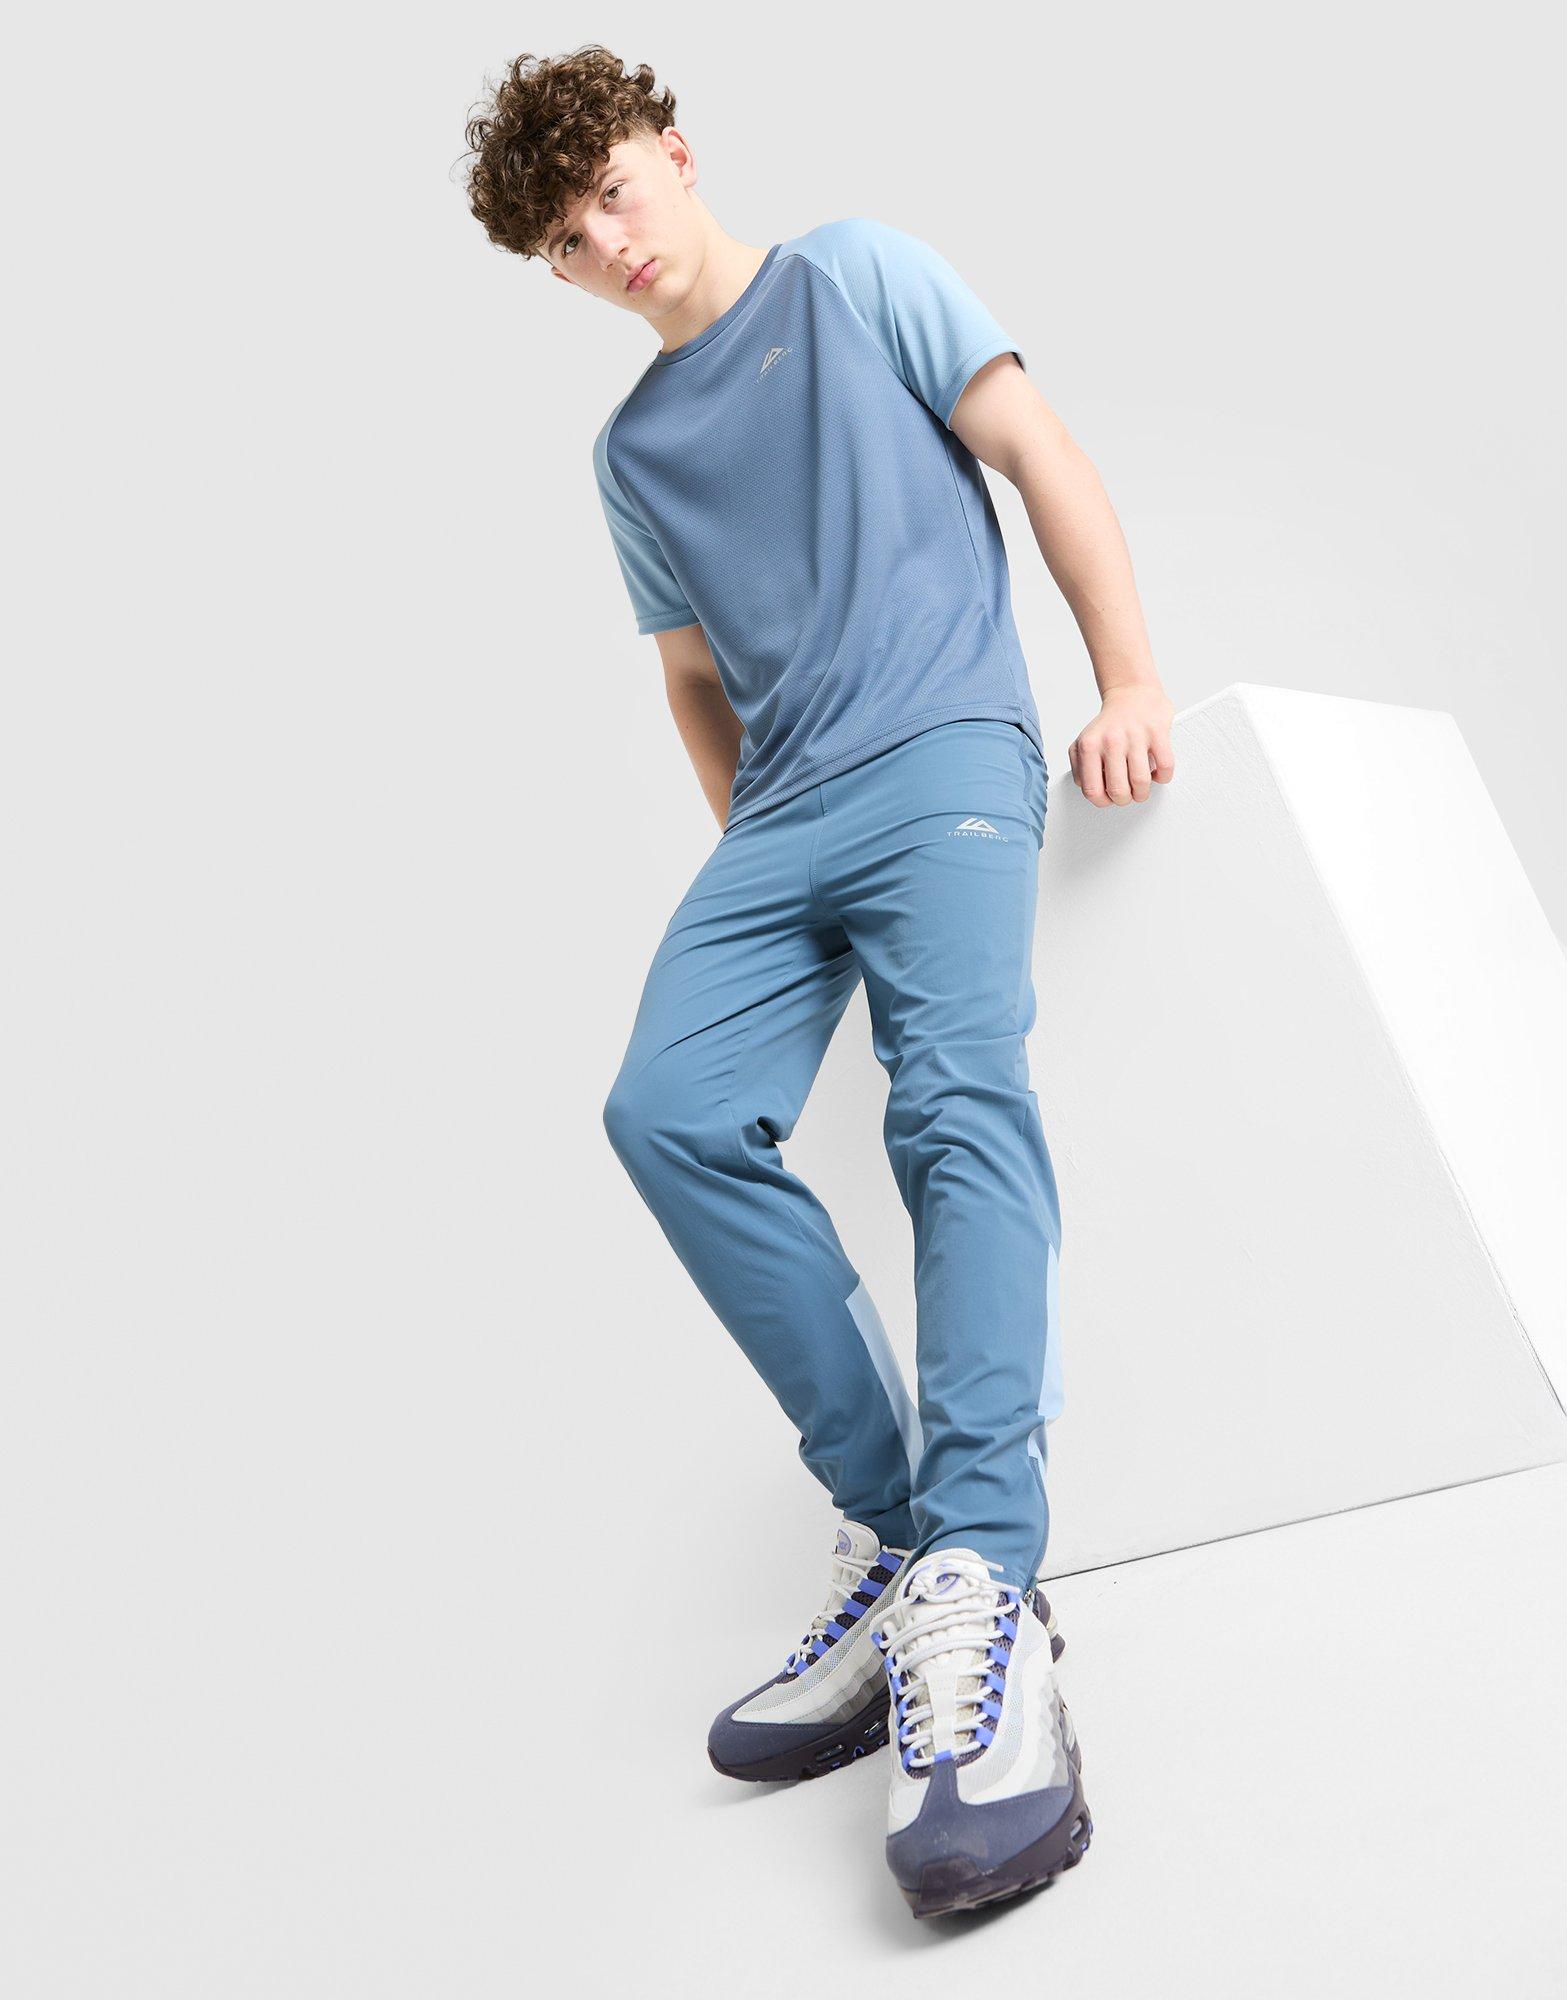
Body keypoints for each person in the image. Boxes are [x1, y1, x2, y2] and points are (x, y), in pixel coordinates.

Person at [463, 44, 1175, 1917]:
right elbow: (692, 678)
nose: (603, 244)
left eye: (611, 191)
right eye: (562, 241)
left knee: (953, 1105)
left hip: (945, 749)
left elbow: (1038, 451)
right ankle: (902, 1524)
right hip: (783, 822)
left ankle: (986, 1581)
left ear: (677, 154)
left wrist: (1128, 679)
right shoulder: (628, 456)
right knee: (667, 1111)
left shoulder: (859, 272)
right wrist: (765, 879)